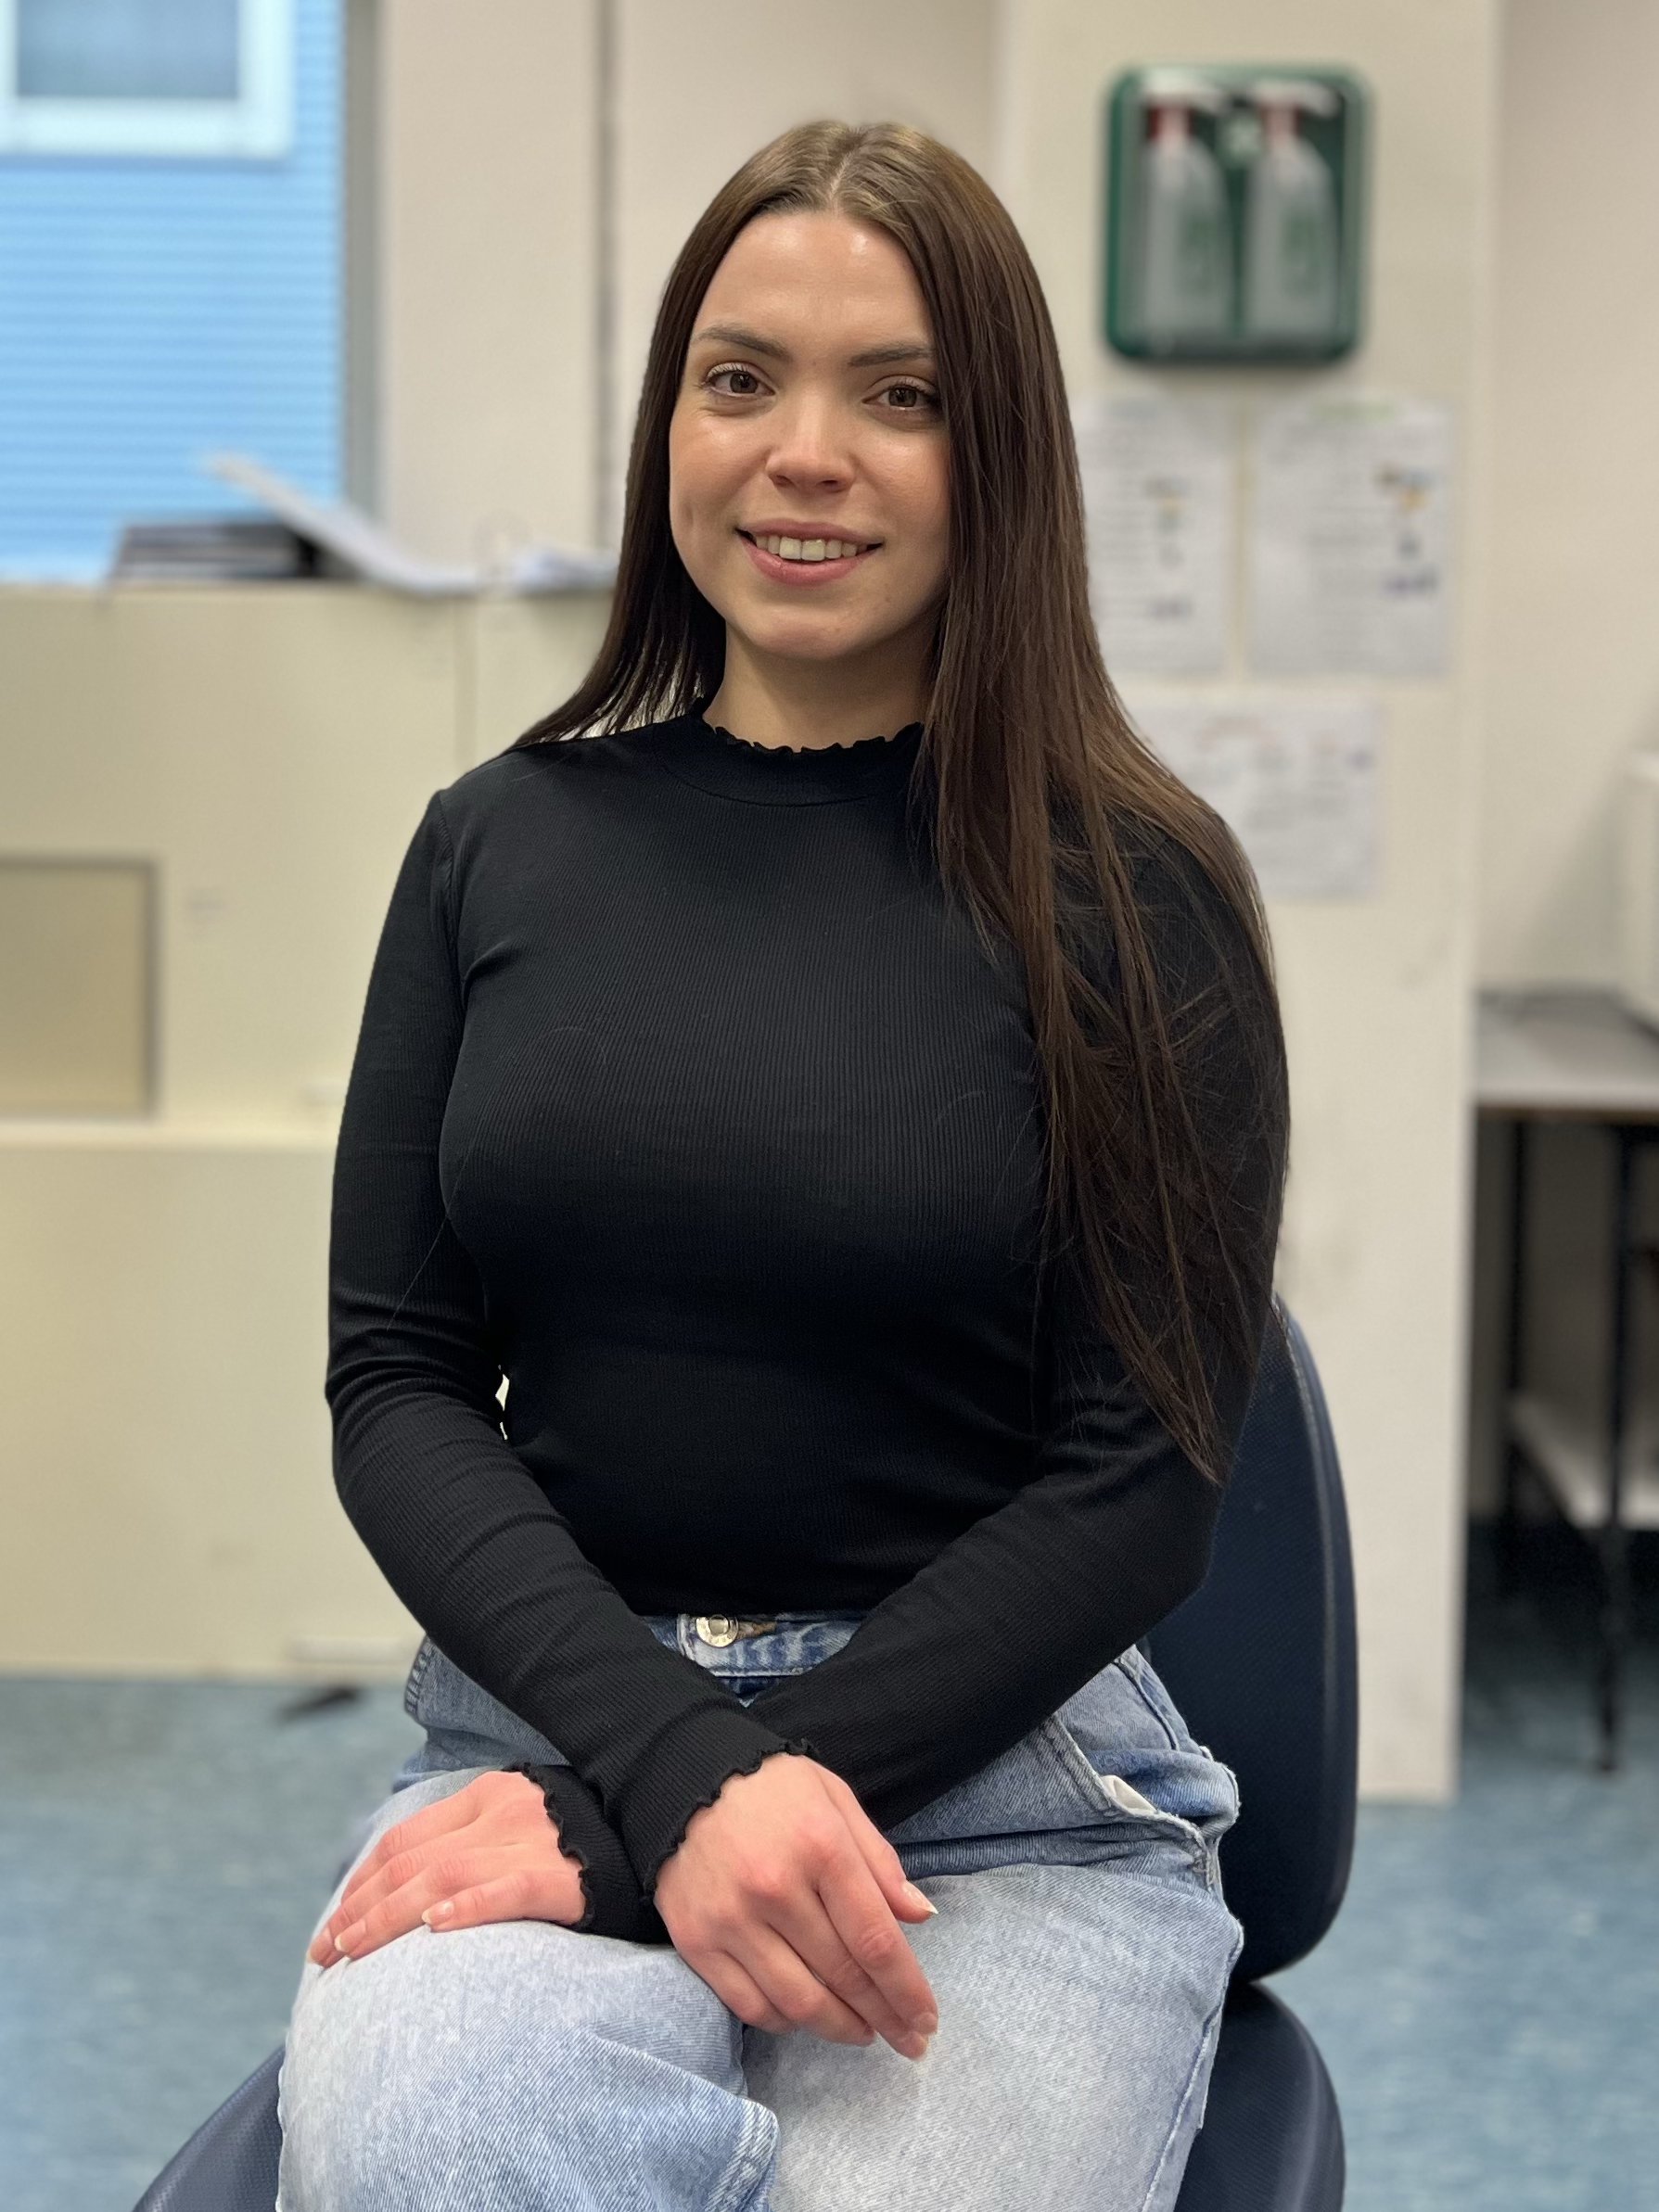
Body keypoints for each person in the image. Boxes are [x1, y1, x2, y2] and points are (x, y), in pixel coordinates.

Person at [277, 120, 1289, 2212]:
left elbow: (1146, 1471)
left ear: (994, 453)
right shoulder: (498, 841)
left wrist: (690, 1802)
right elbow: (394, 1383)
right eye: (740, 379)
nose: (803, 451)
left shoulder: (1138, 886)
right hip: (552, 1733)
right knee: (442, 2151)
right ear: (676, 421)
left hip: (1009, 1801)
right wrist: (651, 1774)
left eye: (897, 396)